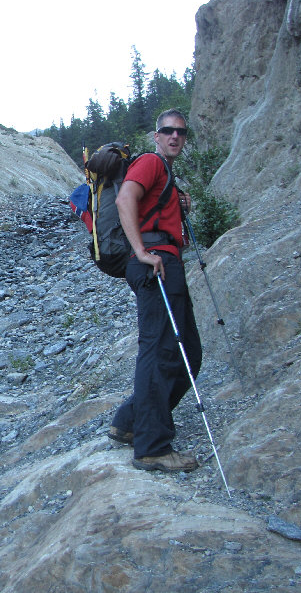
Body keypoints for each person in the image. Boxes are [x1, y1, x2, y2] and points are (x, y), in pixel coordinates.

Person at [108, 108, 202, 472]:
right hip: (156, 266)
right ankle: (153, 446)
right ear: (156, 135)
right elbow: (123, 199)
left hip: (165, 264)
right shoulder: (150, 162)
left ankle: (131, 422)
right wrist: (143, 251)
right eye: (168, 130)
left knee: (188, 353)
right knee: (162, 352)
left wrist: (178, 208)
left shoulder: (166, 175)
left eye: (181, 131)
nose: (175, 136)